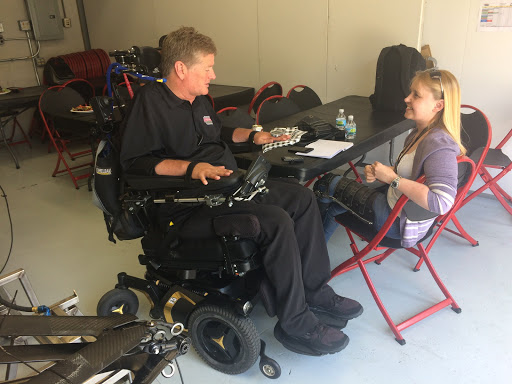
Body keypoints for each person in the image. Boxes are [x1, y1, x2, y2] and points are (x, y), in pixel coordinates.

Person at [120, 26, 363, 356]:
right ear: (181, 68)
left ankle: (314, 290)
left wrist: (254, 136)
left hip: (229, 187)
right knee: (276, 220)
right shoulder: (151, 105)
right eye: (206, 67)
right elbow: (137, 165)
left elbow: (219, 133)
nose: (213, 74)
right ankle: (295, 322)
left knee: (303, 198)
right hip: (189, 204)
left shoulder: (199, 101)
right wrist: (193, 169)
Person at [316, 69, 465, 247]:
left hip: (398, 222)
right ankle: (313, 252)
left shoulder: (440, 144)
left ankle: (307, 248)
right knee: (334, 207)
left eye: (416, 95)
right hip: (397, 206)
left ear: (438, 106)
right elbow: (411, 173)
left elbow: (442, 202)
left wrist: (393, 179)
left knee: (326, 183)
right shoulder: (419, 133)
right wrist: (384, 173)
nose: (406, 98)